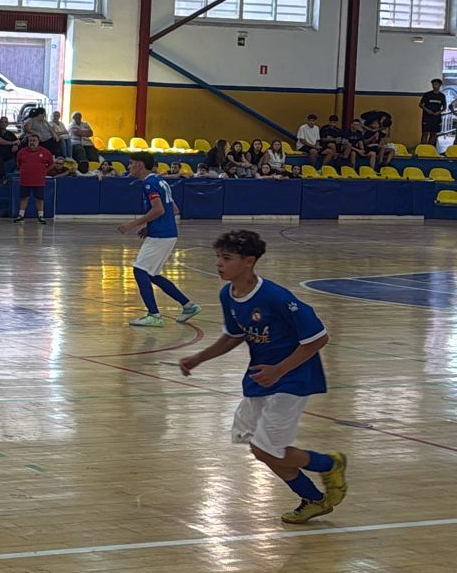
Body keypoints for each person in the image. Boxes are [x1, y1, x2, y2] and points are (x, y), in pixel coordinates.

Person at [178, 230, 348, 526]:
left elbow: (318, 338)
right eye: (218, 257)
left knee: (265, 448)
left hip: (293, 377)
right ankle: (313, 499)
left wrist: (279, 369)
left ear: (249, 261)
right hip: (261, 377)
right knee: (259, 447)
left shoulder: (276, 297)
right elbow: (234, 336)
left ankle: (329, 464)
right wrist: (199, 358)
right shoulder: (228, 294)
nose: (219, 263)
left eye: (226, 258)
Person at [116, 154, 202, 328]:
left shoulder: (149, 184)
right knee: (151, 274)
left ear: (140, 165)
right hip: (166, 232)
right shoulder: (160, 181)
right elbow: (174, 209)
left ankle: (154, 315)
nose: (129, 167)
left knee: (140, 270)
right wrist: (150, 227)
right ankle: (188, 305)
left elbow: (159, 210)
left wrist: (131, 225)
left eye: (131, 164)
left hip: (161, 234)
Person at [16, 138, 54, 224]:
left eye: (34, 141)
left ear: (38, 142)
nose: (32, 142)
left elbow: (51, 164)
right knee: (24, 197)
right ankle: (21, 215)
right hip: (25, 179)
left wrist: (44, 171)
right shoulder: (22, 152)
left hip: (38, 180)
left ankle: (41, 216)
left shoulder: (45, 152)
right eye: (30, 141)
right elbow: (18, 164)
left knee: (39, 198)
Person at [421, 79, 447, 147]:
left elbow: (444, 107)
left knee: (433, 134)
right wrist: (427, 110)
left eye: (436, 84)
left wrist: (439, 112)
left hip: (436, 118)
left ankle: (430, 149)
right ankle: (422, 149)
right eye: (433, 84)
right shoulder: (427, 94)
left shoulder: (442, 96)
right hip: (427, 117)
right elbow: (421, 104)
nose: (434, 86)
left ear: (439, 85)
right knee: (425, 133)